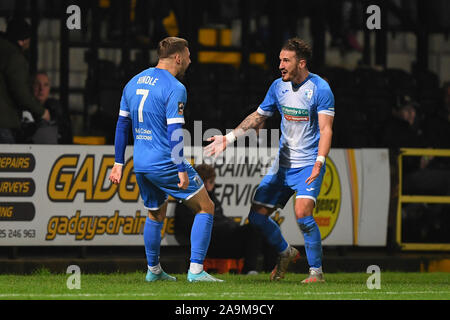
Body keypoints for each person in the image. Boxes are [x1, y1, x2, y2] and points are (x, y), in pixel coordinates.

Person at [205, 37, 335, 283]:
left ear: (302, 63)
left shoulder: (320, 89)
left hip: (308, 163)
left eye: (286, 60)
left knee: (303, 214)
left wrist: (319, 161)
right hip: (282, 165)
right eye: (279, 60)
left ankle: (316, 273)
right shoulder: (278, 87)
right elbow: (258, 116)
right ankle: (285, 252)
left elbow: (326, 130)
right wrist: (229, 138)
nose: (280, 65)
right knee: (256, 217)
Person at [109, 37, 223, 283]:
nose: (191, 61)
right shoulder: (174, 87)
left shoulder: (133, 82)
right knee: (206, 207)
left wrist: (118, 162)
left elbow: (122, 125)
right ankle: (195, 271)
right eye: (189, 56)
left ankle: (154, 270)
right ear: (178, 58)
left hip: (140, 163)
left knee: (155, 214)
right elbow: (174, 133)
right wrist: (181, 168)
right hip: (165, 161)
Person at [174, 163, 278, 274]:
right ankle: (249, 270)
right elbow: (187, 227)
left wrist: (231, 226)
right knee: (253, 229)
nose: (208, 186)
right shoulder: (187, 199)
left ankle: (271, 270)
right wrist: (224, 227)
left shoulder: (212, 198)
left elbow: (220, 219)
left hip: (225, 237)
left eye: (211, 182)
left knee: (266, 225)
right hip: (209, 243)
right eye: (205, 181)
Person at [0, 18, 50, 143]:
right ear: (22, 41)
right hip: (2, 124)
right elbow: (20, 92)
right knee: (8, 162)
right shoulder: (14, 57)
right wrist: (41, 112)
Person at [30, 71, 73, 144]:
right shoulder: (22, 109)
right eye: (37, 84)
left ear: (49, 88)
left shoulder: (58, 109)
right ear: (31, 86)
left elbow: (67, 137)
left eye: (45, 85)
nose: (41, 89)